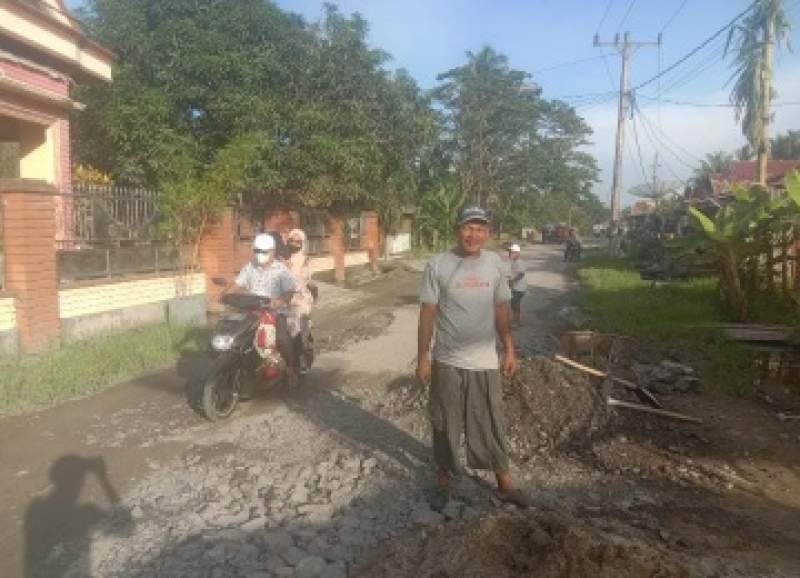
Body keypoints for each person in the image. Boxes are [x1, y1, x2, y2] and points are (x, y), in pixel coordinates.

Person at [416, 206, 532, 509]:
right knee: (444, 420)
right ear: (457, 230)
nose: (473, 234)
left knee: (490, 418)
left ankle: (503, 480)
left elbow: (501, 310)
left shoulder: (495, 264)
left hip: (485, 360)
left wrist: (509, 349)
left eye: (480, 229)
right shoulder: (438, 264)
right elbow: (427, 313)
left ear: (488, 234)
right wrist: (422, 357)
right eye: (468, 228)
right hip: (447, 360)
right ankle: (445, 473)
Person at [233, 233, 298, 388]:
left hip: (275, 312)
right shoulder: (250, 267)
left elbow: (290, 291)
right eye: (257, 251)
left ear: (273, 251)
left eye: (264, 251)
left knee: (282, 337)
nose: (259, 255)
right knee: (237, 336)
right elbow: (237, 283)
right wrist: (225, 294)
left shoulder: (281, 270)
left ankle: (290, 368)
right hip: (253, 311)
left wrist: (280, 301)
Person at [284, 228, 315, 373]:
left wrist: (287, 269)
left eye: (298, 241)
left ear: (302, 243)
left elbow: (302, 279)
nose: (294, 243)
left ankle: (301, 360)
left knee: (296, 327)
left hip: (299, 298)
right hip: (282, 298)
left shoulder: (305, 260)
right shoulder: (282, 257)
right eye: (291, 240)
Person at [506, 243, 527, 327]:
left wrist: (512, 280)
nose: (510, 254)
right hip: (516, 288)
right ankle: (518, 320)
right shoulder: (514, 262)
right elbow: (514, 272)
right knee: (515, 305)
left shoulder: (519, 262)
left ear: (518, 253)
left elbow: (521, 274)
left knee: (514, 304)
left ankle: (516, 322)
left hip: (519, 289)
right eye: (510, 252)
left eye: (512, 252)